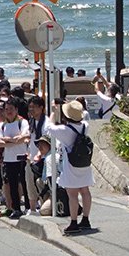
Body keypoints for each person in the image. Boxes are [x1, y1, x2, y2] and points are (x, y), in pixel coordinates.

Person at [48, 100, 94, 233]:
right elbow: (79, 116)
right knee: (85, 191)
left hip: (71, 163)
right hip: (84, 162)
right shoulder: (85, 125)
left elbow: (50, 127)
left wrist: (53, 112)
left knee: (72, 194)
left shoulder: (64, 130)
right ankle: (86, 219)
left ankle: (74, 222)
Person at [0, 96, 31, 219]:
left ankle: (28, 207)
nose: (8, 111)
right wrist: (14, 140)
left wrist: (8, 140)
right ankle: (16, 209)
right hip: (9, 159)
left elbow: (25, 137)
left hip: (22, 157)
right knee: (13, 185)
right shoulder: (2, 125)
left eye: (11, 109)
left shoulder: (22, 122)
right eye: (6, 109)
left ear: (16, 109)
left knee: (25, 183)